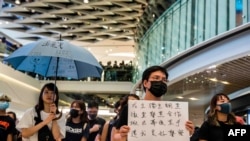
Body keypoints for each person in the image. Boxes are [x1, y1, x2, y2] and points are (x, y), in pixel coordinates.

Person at [111, 65, 195, 141]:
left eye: (164, 80)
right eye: (156, 78)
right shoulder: (131, 108)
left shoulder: (174, 111)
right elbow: (115, 136)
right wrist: (122, 135)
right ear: (145, 83)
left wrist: (188, 132)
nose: (161, 82)